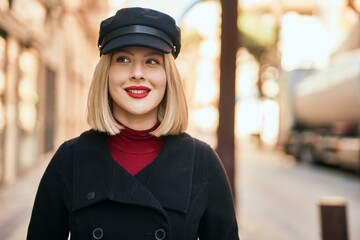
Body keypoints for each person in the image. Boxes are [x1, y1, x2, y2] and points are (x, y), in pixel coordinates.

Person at [27, 7, 239, 240]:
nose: (137, 73)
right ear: (106, 73)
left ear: (168, 77)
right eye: (123, 59)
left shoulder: (202, 161)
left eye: (151, 61)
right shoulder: (70, 158)